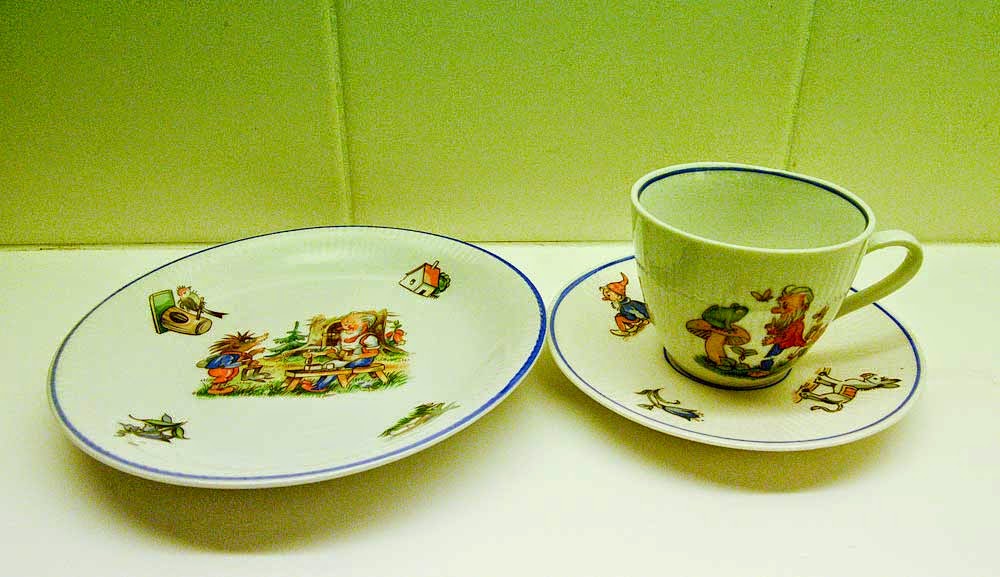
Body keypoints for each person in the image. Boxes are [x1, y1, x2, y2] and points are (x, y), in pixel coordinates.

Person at [302, 312, 381, 392]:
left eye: (352, 324)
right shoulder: (344, 335)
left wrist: (355, 357)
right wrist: (317, 354)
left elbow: (374, 352)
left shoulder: (369, 338)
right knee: (329, 365)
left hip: (362, 360)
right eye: (346, 323)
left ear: (364, 326)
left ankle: (319, 387)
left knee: (336, 367)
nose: (348, 327)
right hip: (346, 359)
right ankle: (316, 384)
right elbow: (338, 348)